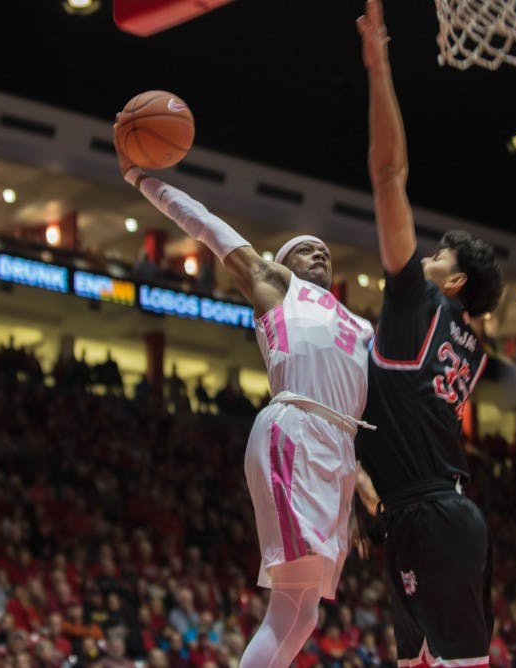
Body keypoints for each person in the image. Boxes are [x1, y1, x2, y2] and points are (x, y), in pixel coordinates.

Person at [116, 126, 374, 668]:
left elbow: (364, 410)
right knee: (288, 605)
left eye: (324, 252)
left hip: (339, 449)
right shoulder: (278, 288)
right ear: (283, 265)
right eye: (305, 250)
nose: (318, 253)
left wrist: (359, 489)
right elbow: (207, 225)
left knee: (304, 614)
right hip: (295, 429)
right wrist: (142, 179)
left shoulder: (360, 326)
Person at [354, 1, 506, 667]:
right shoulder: (469, 348)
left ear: (452, 282)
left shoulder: (417, 303)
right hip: (431, 516)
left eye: (439, 255)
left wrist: (379, 66)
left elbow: (388, 174)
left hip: (429, 519)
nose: (425, 256)